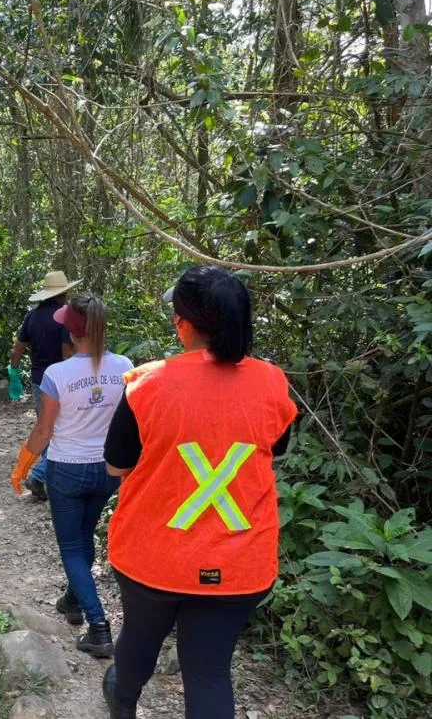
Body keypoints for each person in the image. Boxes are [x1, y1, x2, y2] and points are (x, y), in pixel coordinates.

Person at [101, 266, 297, 719]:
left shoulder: (146, 384)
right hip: (239, 561)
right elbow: (276, 448)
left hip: (152, 555)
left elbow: (117, 465)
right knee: (209, 671)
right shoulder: (273, 383)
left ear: (183, 324)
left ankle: (122, 703)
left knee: (140, 640)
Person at [13, 293, 133, 658]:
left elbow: (44, 431)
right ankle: (73, 600)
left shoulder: (57, 374)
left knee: (70, 545)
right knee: (83, 535)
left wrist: (22, 467)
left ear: (71, 329)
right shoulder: (125, 366)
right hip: (108, 469)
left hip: (66, 469)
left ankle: (98, 626)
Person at [11, 270, 79, 500]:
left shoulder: (32, 317)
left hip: (39, 380)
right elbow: (67, 352)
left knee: (46, 428)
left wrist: (13, 370)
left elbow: (18, 347)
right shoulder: (64, 316)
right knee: (61, 431)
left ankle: (41, 477)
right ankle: (39, 475)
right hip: (60, 382)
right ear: (63, 293)